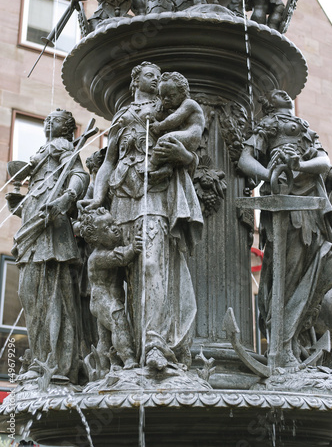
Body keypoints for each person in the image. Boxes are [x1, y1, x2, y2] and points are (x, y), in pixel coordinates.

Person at [81, 62, 203, 371]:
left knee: (151, 265)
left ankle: (154, 344)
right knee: (125, 274)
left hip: (155, 195)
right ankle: (123, 353)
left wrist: (184, 156)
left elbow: (191, 148)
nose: (157, 78)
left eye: (160, 75)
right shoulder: (122, 116)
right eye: (151, 74)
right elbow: (109, 161)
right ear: (136, 80)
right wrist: (97, 198)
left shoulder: (167, 109)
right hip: (122, 199)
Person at [238, 90, 332, 367]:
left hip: (310, 210)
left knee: (308, 273)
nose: (283, 93)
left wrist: (300, 165)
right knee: (285, 276)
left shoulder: (303, 128)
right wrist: (267, 173)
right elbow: (245, 159)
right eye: (275, 94)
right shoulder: (267, 125)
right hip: (283, 206)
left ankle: (292, 344)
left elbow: (323, 162)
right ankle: (281, 347)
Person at [7, 109, 89, 384]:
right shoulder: (43, 152)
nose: (47, 122)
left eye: (53, 119)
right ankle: (40, 360)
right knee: (29, 294)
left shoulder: (63, 146)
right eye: (46, 119)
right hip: (34, 222)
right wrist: (18, 205)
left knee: (53, 294)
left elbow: (79, 175)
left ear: (66, 128)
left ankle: (57, 364)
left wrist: (67, 198)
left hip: (53, 228)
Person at [79, 208, 142, 371]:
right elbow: (120, 257)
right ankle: (129, 360)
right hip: (103, 300)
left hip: (104, 300)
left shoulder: (105, 250)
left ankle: (102, 368)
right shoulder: (97, 257)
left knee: (105, 338)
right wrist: (133, 247)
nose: (115, 228)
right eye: (107, 227)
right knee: (119, 322)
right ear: (96, 239)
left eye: (113, 222)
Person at [148, 71, 205, 182]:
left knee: (165, 140)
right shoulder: (173, 104)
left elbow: (174, 119)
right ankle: (168, 168)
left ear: (183, 93)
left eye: (171, 96)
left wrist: (159, 126)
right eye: (162, 96)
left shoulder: (189, 103)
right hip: (188, 137)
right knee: (168, 149)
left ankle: (151, 165)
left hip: (191, 137)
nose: (165, 100)